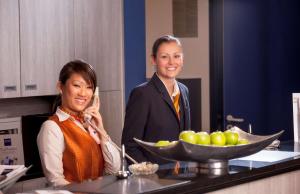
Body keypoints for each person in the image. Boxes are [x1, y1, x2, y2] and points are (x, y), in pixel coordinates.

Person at [37, 60, 121, 186]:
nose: (83, 93)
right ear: (60, 87)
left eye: (89, 87)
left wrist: (101, 130)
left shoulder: (89, 124)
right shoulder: (51, 128)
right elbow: (56, 181)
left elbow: (114, 169)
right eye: (77, 85)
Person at [121, 35, 192, 164]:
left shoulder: (184, 90)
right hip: (153, 178)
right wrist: (150, 172)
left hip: (180, 175)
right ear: (153, 60)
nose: (171, 62)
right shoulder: (142, 94)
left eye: (176, 56)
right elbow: (130, 146)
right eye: (164, 57)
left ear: (182, 60)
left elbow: (184, 140)